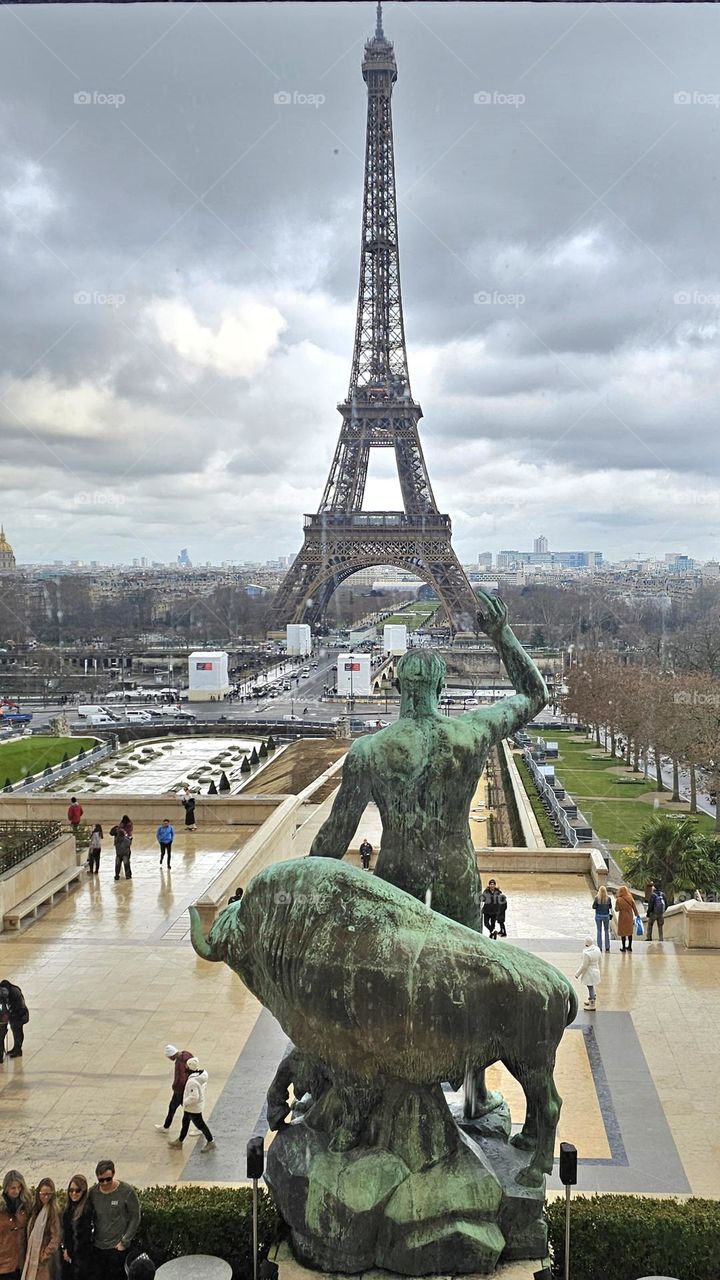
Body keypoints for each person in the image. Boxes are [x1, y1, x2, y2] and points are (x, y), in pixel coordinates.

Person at [88, 1161, 141, 1280]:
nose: (105, 1183)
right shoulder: (92, 1193)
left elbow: (135, 1216)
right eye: (101, 1180)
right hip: (98, 1247)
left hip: (117, 1248)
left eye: (108, 1179)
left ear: (113, 1174)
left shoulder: (126, 1191)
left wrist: (125, 1241)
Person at [168, 1057, 215, 1152]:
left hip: (193, 1108)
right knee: (185, 1122)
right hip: (193, 1107)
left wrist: (185, 1101)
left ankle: (211, 1141)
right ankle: (180, 1141)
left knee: (200, 1125)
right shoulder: (201, 1075)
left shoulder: (192, 1082)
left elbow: (194, 1097)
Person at [20, 1180, 60, 1280]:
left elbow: (56, 1238)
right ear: (38, 1194)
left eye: (48, 1194)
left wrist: (44, 1255)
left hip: (43, 1262)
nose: (46, 1197)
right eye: (43, 1194)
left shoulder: (53, 1212)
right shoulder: (35, 1210)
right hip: (31, 1256)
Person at [155, 1045, 194, 1135]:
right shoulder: (187, 1055)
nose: (169, 1059)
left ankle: (200, 1127)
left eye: (169, 1057)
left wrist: (175, 1086)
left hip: (180, 1090)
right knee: (172, 1107)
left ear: (172, 1055)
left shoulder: (180, 1063)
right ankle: (166, 1126)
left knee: (188, 1110)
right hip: (183, 1089)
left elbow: (181, 1078)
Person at [0, 1170, 31, 1280]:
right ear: (6, 1188)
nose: (17, 1191)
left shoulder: (26, 1206)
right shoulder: (1, 1209)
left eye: (19, 1187)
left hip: (20, 1264)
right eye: (13, 1188)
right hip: (3, 1264)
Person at [61, 1175, 93, 1280]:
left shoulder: (87, 1210)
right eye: (71, 1190)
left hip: (83, 1259)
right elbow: (66, 1232)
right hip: (70, 1257)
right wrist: (66, 1249)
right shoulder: (68, 1210)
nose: (73, 1193)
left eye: (77, 1190)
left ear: (83, 1191)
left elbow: (86, 1237)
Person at [0, 981, 29, 1059]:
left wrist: (10, 1013)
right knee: (16, 1033)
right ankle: (15, 1049)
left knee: (18, 1033)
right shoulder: (12, 990)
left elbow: (17, 1006)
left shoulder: (14, 992)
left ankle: (18, 1051)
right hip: (16, 1015)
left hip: (19, 1015)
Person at [575, 936, 602, 1010]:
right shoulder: (597, 949)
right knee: (592, 986)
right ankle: (591, 998)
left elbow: (584, 966)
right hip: (596, 970)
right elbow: (600, 960)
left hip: (589, 973)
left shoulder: (586, 953)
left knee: (590, 987)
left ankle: (592, 1004)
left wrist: (577, 974)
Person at [615, 884, 640, 952]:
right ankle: (630, 947)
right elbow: (634, 908)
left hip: (622, 917)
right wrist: (637, 915)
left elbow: (616, 909)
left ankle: (623, 947)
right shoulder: (630, 898)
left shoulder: (619, 899)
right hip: (629, 916)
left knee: (623, 932)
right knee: (629, 932)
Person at [592, 884, 612, 952]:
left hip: (598, 916)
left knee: (599, 931)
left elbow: (593, 907)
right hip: (606, 916)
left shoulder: (597, 898)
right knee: (606, 931)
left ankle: (599, 947)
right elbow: (610, 907)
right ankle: (607, 947)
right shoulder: (608, 898)